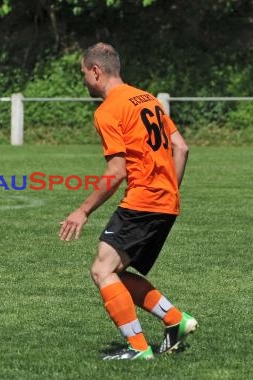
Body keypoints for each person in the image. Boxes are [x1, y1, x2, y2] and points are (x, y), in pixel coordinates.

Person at [59, 42, 196, 360]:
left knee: (101, 271)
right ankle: (176, 321)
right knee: (114, 272)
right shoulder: (147, 98)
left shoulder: (108, 109)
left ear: (95, 71)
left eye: (83, 73)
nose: (83, 80)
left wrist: (83, 210)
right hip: (165, 201)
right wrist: (168, 191)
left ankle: (139, 349)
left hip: (142, 200)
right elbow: (182, 147)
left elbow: (117, 170)